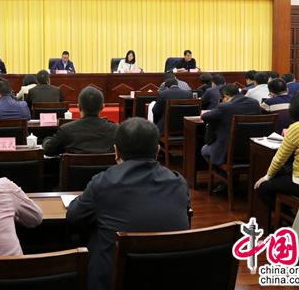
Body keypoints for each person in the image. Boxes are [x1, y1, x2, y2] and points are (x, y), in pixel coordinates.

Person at [66, 118, 190, 290]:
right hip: (169, 278)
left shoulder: (104, 183)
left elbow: (74, 216)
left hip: (115, 282)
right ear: (157, 151)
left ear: (116, 151)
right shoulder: (179, 183)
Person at [43, 86, 117, 156]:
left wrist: (46, 140)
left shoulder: (66, 130)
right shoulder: (115, 130)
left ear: (78, 107)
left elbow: (48, 151)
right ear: (102, 107)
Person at [201, 85, 261, 167]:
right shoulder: (254, 103)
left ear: (226, 96)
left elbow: (205, 117)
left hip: (226, 150)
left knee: (204, 150)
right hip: (251, 148)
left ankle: (220, 172)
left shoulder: (225, 107)